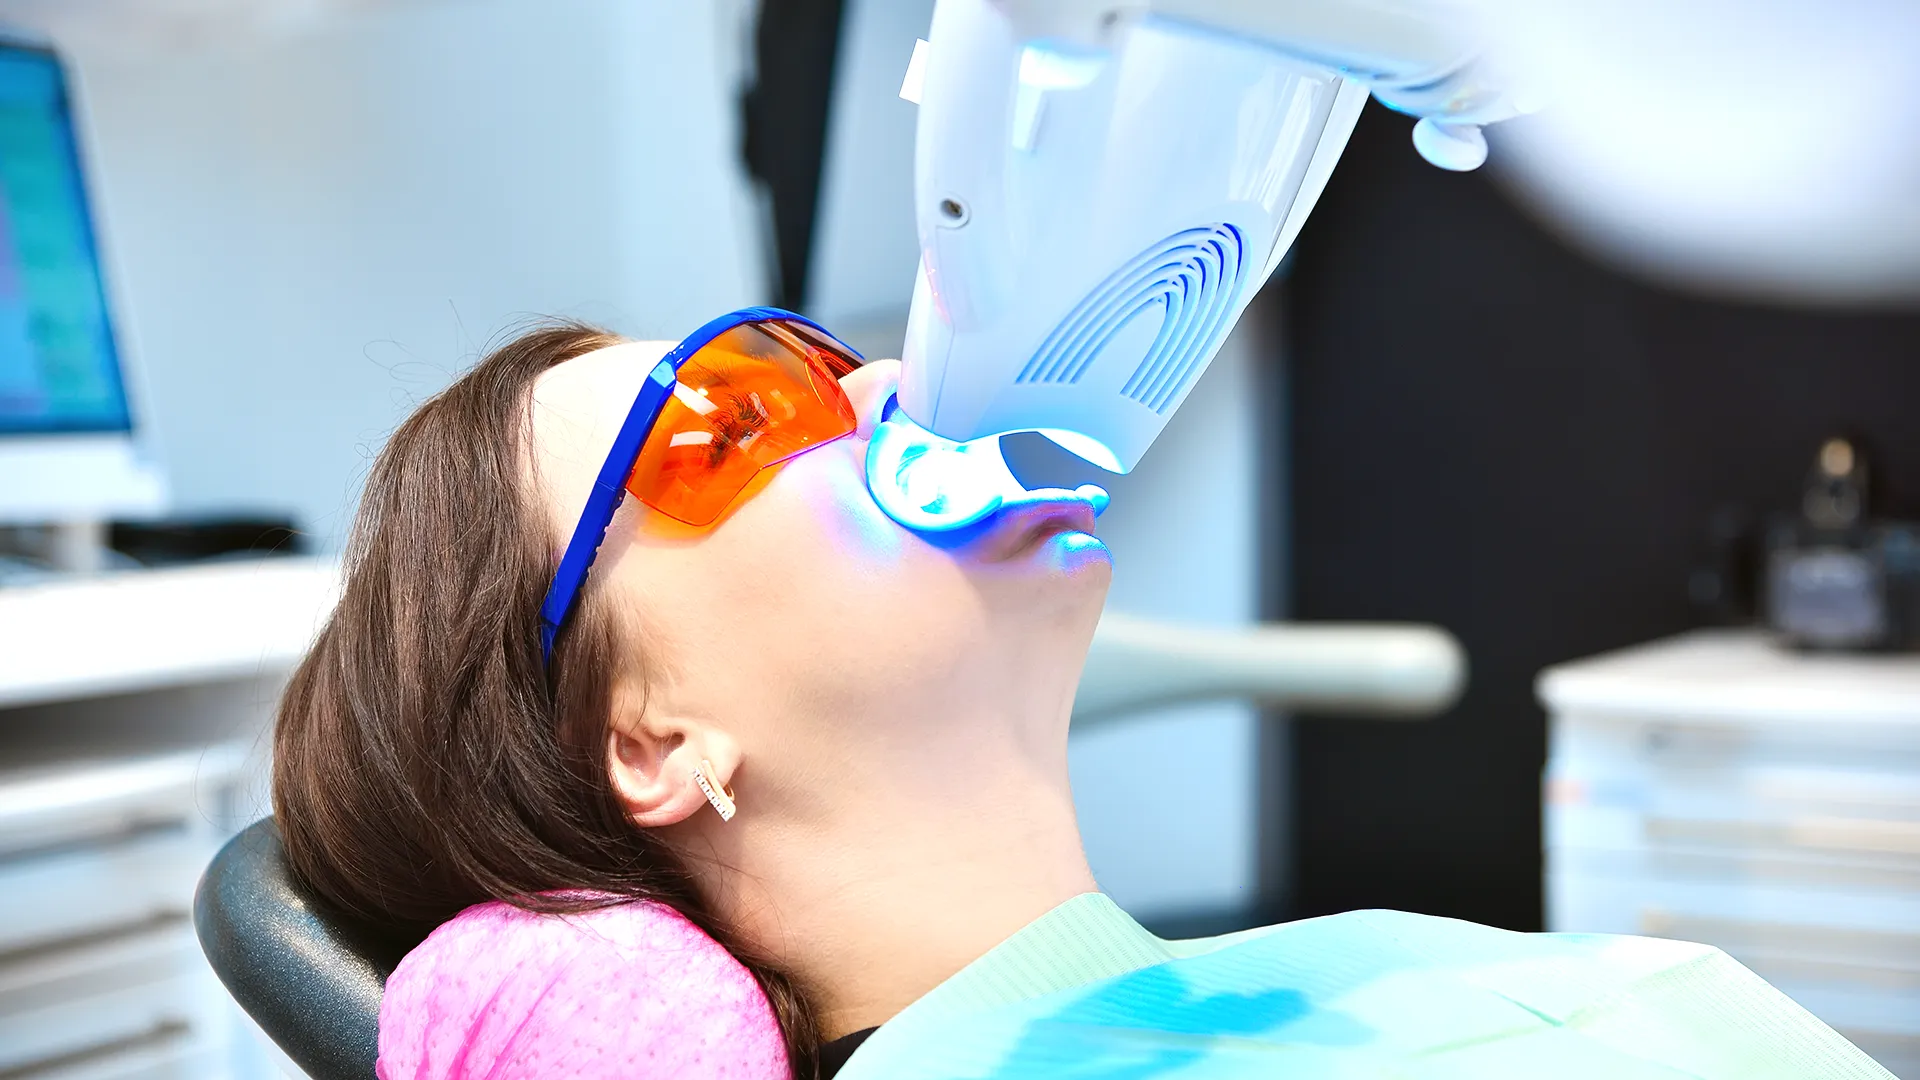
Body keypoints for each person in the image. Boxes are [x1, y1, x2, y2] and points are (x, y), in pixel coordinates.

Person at [275, 312, 1891, 1080]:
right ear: (654, 737)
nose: (892, 390)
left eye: (825, 353)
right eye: (737, 407)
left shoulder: (1312, 972)